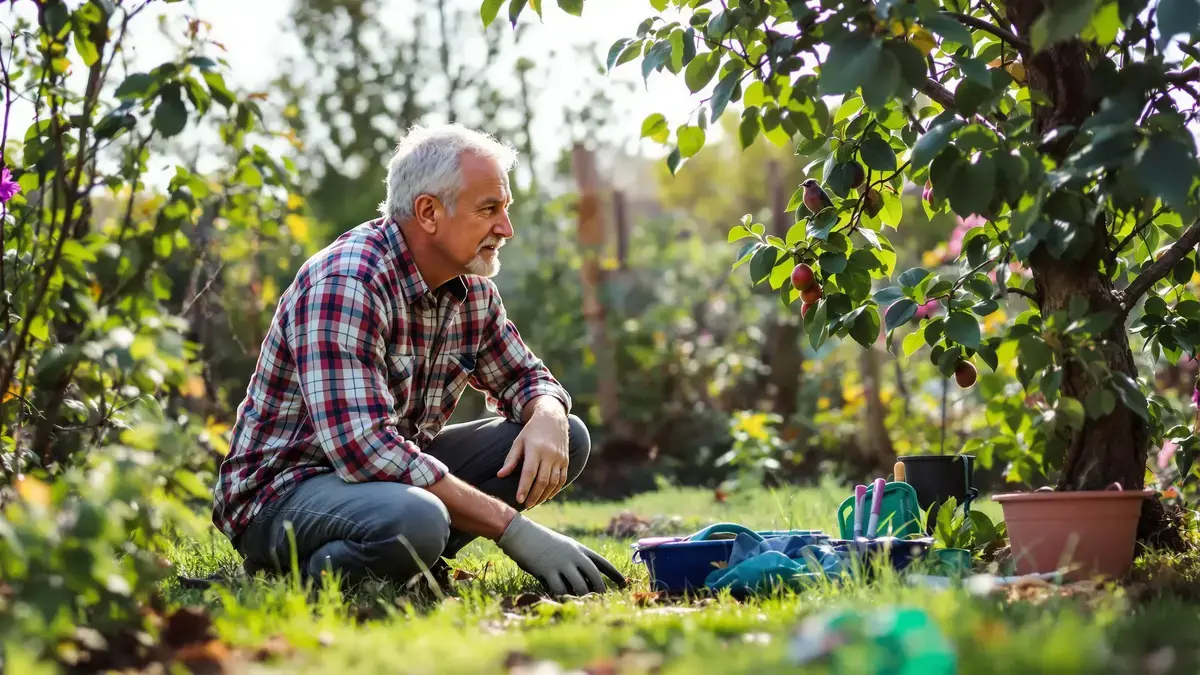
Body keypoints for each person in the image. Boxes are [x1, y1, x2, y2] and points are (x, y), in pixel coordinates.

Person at [210, 123, 625, 597]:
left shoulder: (472, 292)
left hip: (385, 481)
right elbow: (367, 451)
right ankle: (296, 573)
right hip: (282, 493)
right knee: (418, 517)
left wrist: (548, 412)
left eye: (505, 209)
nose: (505, 228)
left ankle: (402, 556)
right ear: (429, 212)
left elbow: (526, 378)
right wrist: (514, 530)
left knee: (566, 436)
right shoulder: (346, 283)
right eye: (488, 209)